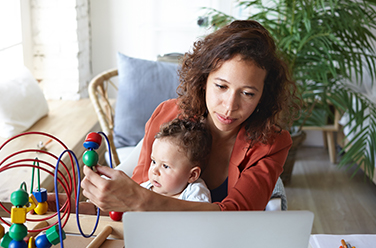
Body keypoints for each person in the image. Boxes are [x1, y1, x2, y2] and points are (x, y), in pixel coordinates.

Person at [81, 20, 301, 212]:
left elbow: (238, 214)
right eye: (221, 86)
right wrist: (66, 205)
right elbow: (138, 187)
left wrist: (140, 201)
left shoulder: (272, 144)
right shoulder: (168, 114)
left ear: (263, 96)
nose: (230, 106)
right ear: (204, 80)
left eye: (247, 93)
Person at [140, 118, 212, 202]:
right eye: (154, 161)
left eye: (165, 166)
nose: (154, 171)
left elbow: (201, 213)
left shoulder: (194, 192)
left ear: (192, 175)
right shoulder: (144, 188)